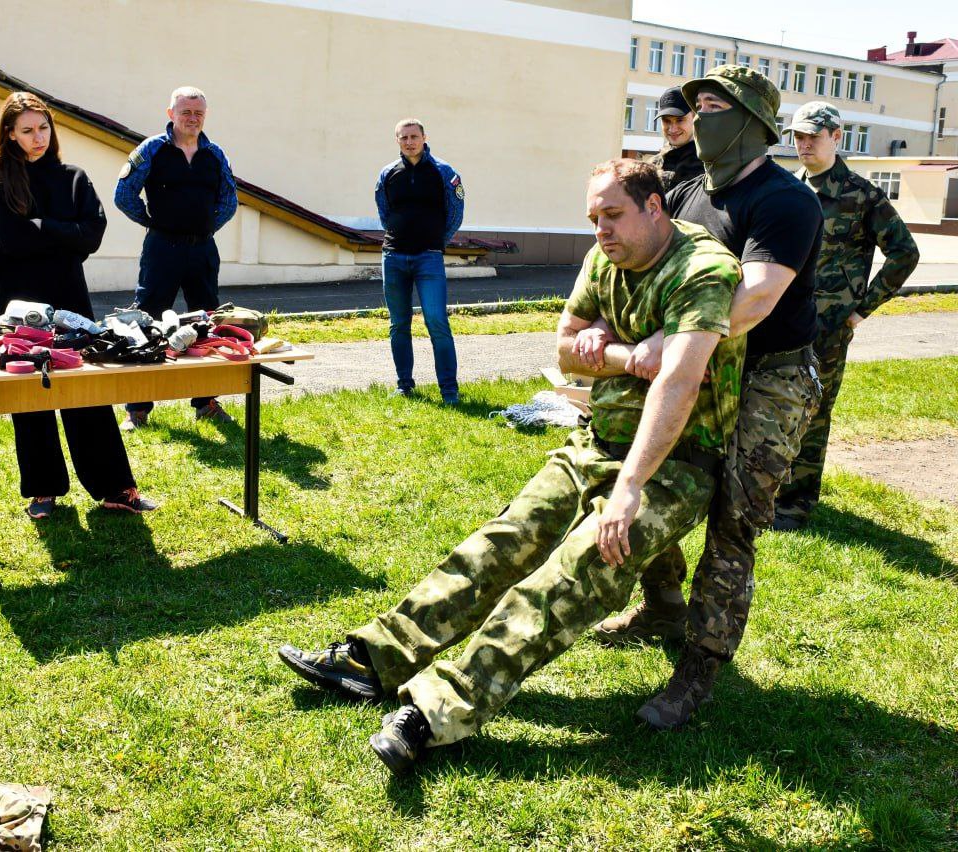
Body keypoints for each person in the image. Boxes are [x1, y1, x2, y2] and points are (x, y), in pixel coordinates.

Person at [279, 159, 745, 773]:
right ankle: (375, 658)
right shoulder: (604, 257)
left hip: (672, 462)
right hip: (595, 439)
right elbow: (563, 348)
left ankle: (442, 708)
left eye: (613, 215)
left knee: (567, 579)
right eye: (592, 218)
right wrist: (629, 355)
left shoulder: (702, 269)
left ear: (655, 207)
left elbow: (680, 382)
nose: (600, 231)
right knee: (501, 542)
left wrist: (630, 485)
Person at [590, 66, 823, 730]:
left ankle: (698, 669)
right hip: (697, 362)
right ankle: (661, 603)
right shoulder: (687, 191)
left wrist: (671, 341)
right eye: (697, 108)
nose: (697, 118)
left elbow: (751, 299)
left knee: (732, 517)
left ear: (753, 123)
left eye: (714, 107)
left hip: (767, 376)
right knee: (649, 478)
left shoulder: (786, 201)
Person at [0, 91, 156, 519]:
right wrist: (63, 235)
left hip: (70, 295)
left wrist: (41, 227)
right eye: (27, 131)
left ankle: (115, 488)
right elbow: (14, 240)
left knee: (86, 389)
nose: (38, 137)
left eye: (43, 128)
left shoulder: (73, 177)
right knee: (31, 390)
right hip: (20, 300)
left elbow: (92, 234)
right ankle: (43, 490)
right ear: (10, 133)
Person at [772, 102, 919, 530]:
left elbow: (904, 254)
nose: (803, 144)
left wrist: (860, 311)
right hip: (781, 321)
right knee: (774, 404)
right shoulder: (788, 190)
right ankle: (768, 489)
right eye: (798, 136)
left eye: (813, 136)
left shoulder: (862, 195)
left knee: (813, 414)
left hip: (828, 329)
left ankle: (795, 506)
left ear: (837, 137)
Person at [114, 86, 238, 430]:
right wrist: (153, 223)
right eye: (185, 112)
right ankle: (137, 409)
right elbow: (123, 194)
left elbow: (229, 200)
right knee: (147, 322)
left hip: (201, 249)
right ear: (171, 114)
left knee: (206, 322)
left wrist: (205, 228)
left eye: (198, 113)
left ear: (205, 116)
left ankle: (206, 402)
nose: (192, 118)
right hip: (162, 248)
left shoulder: (214, 153)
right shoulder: (152, 149)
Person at [375, 119, 465, 404]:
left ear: (425, 137)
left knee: (437, 322)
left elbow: (455, 212)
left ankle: (449, 391)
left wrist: (437, 240)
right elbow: (384, 212)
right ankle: (404, 385)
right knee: (398, 324)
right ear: (397, 140)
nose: (409, 141)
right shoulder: (388, 173)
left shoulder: (444, 172)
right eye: (403, 137)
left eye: (414, 136)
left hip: (429, 258)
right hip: (394, 258)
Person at [648, 86, 704, 192]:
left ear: (695, 118)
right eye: (666, 121)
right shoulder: (653, 164)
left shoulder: (708, 163)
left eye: (680, 120)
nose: (672, 129)